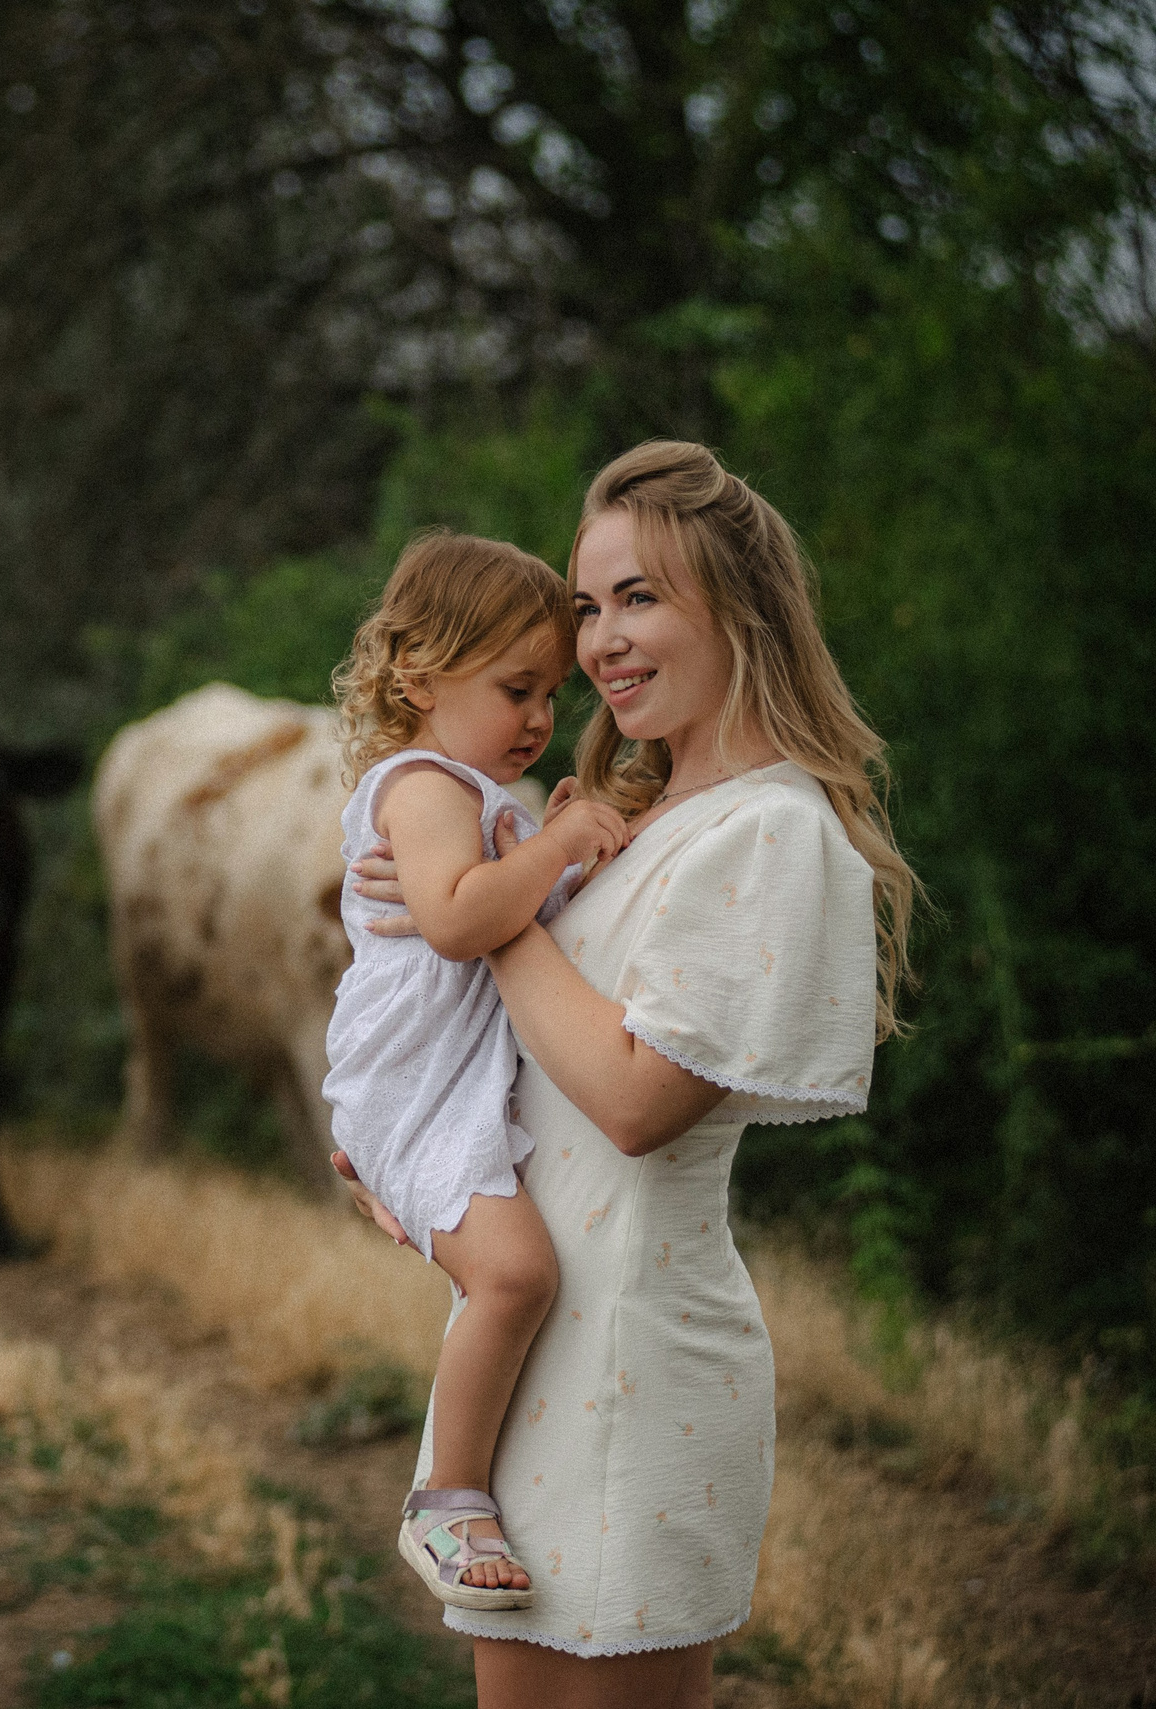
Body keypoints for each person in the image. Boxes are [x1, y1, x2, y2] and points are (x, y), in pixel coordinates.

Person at [339, 441, 916, 1708]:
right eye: (589, 605)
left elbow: (637, 1101)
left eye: (638, 597)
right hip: (533, 1353)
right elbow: (528, 1070)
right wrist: (405, 1145)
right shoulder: (619, 811)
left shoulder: (773, 827)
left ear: (739, 602)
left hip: (641, 1367)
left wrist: (486, 911)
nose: (600, 640)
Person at [320, 531, 631, 1611]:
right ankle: (444, 1499)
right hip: (409, 1080)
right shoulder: (419, 787)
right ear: (418, 676)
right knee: (514, 1274)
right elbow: (456, 922)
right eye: (516, 687)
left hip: (442, 1076)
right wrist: (556, 844)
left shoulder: (479, 791)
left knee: (508, 1274)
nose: (541, 717)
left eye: (552, 692)